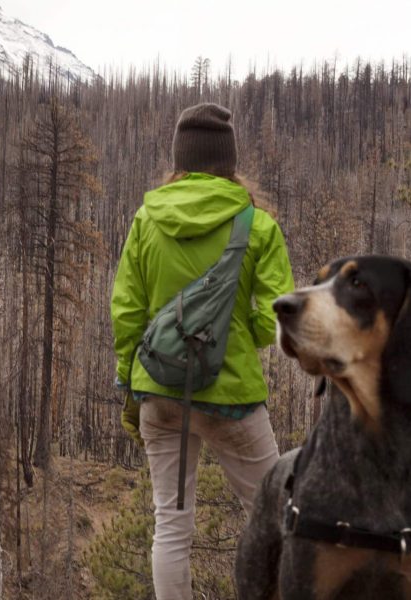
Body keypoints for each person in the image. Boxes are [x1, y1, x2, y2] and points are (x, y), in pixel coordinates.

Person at [110, 103, 295, 600]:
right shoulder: (257, 226)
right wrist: (240, 338)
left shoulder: (146, 220)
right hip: (231, 395)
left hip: (159, 392)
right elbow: (278, 314)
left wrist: (131, 386)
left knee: (171, 527)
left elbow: (126, 312)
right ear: (229, 162)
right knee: (281, 521)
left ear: (180, 160)